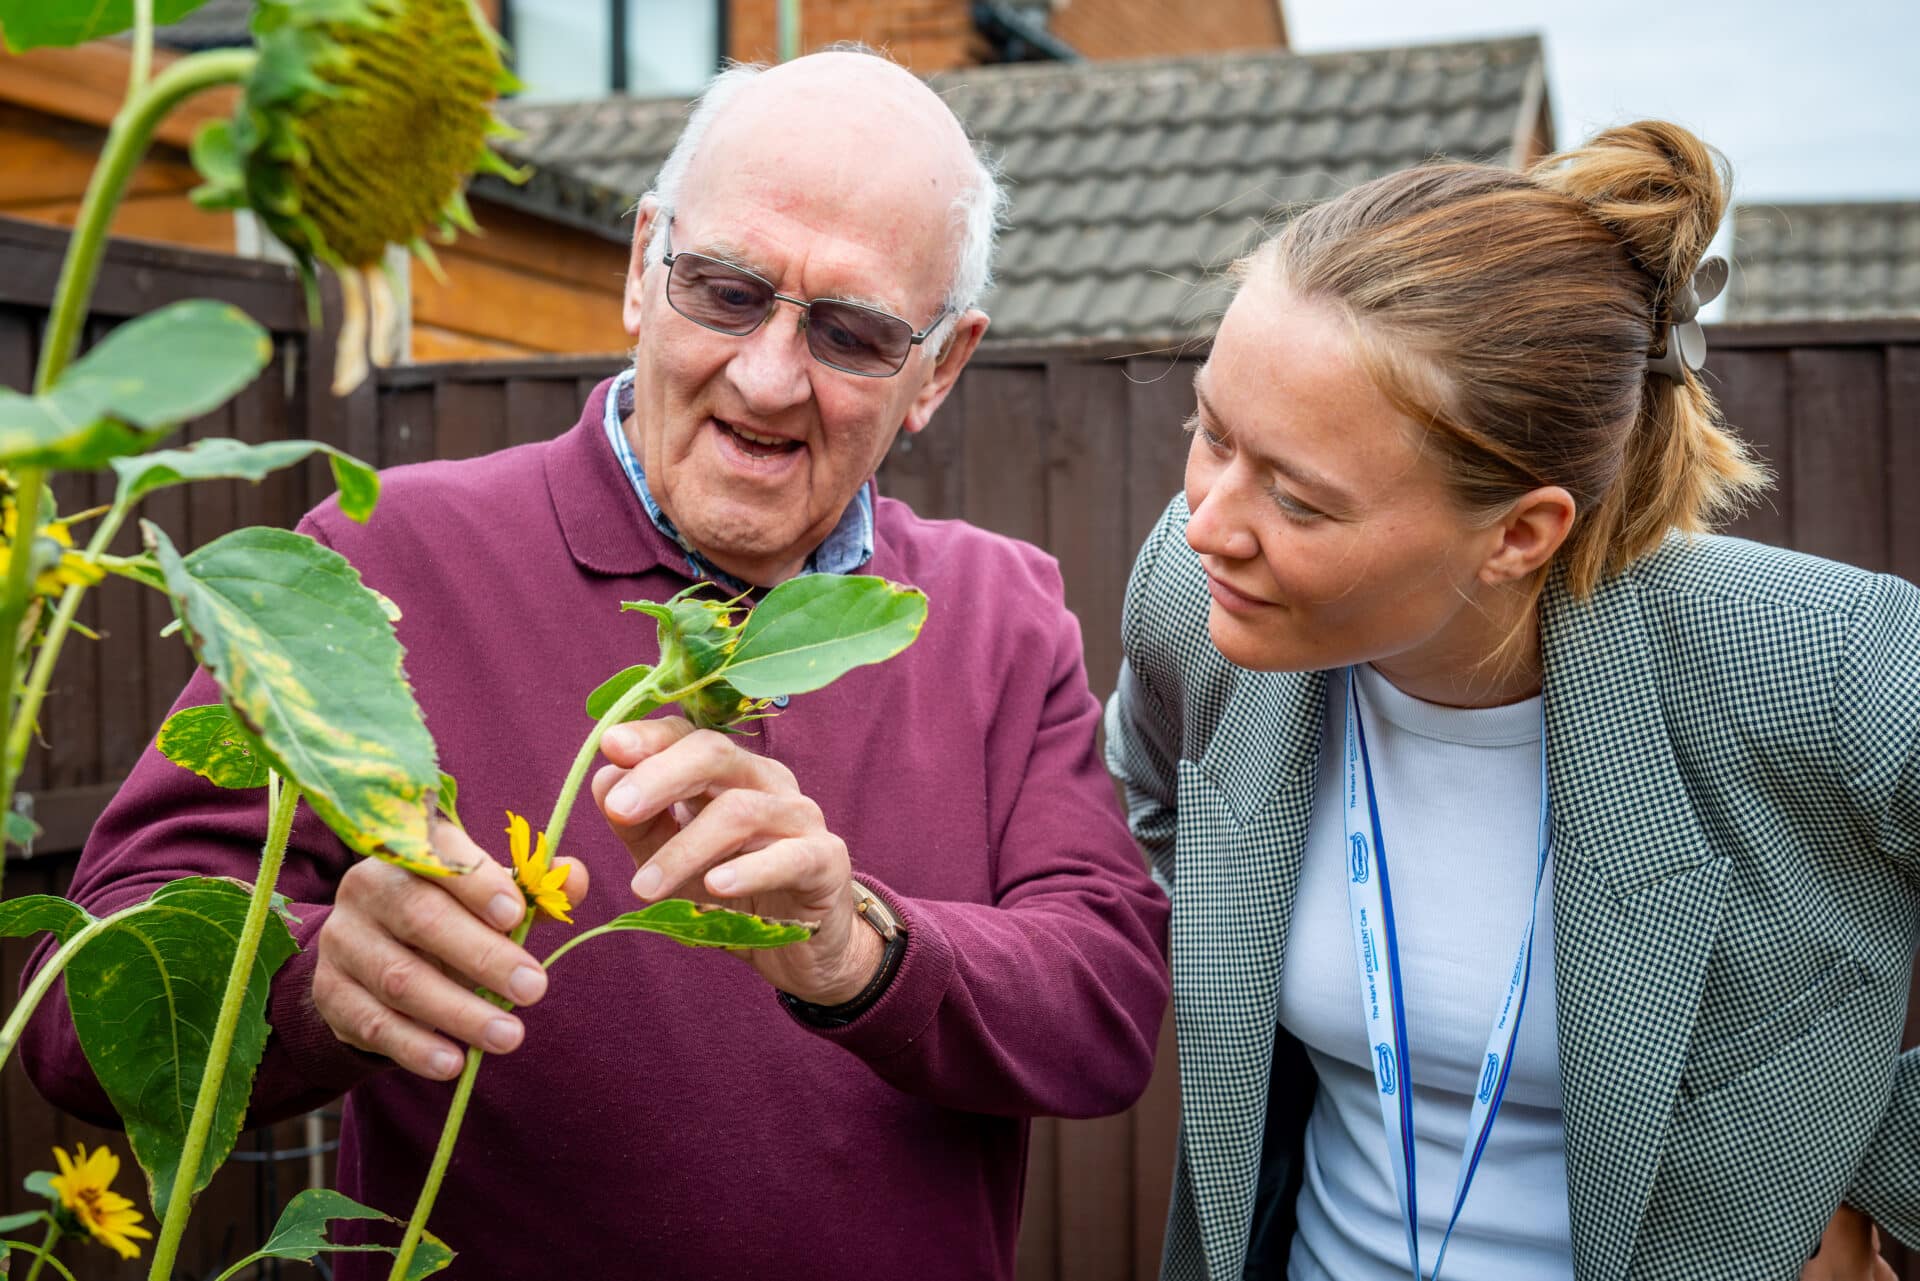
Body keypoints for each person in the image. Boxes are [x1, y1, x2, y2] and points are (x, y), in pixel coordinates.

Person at [23, 49, 1170, 1280]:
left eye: (852, 334)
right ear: (641, 268)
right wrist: (317, 982)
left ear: (939, 367)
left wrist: (859, 952)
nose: (768, 376)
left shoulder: (999, 611)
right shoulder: (384, 559)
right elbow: (80, 1010)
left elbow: (1105, 1009)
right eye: (726, 291)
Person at [1105, 120, 1918, 1281]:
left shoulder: (1825, 665)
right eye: (1212, 433)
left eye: (1298, 499)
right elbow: (1154, 796)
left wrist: (1854, 1165)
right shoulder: (1197, 607)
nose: (1208, 524)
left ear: (1521, 534)